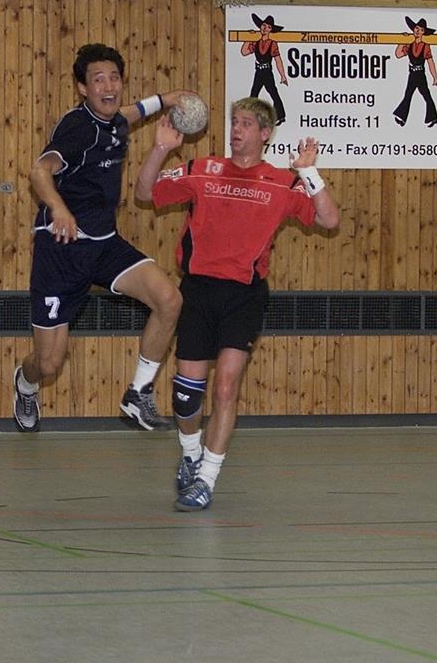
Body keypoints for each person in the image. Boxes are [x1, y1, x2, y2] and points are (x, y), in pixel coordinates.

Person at [135, 96, 340, 511]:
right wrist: (160, 148)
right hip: (197, 291)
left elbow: (329, 220)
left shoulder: (281, 183)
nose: (236, 130)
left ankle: (207, 478)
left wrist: (309, 172)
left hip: (243, 296)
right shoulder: (202, 169)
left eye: (246, 123)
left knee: (226, 386)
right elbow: (144, 193)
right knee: (186, 398)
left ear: (265, 134)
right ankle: (190, 455)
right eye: (233, 122)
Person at [12, 42, 186, 433]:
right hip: (62, 251)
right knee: (49, 364)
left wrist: (165, 99)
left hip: (104, 244)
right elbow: (39, 171)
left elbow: (128, 114)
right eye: (97, 79)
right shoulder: (77, 127)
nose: (108, 86)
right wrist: (58, 208)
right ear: (82, 88)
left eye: (114, 77)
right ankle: (26, 383)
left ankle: (138, 393)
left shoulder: (113, 121)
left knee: (170, 300)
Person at [241, 13, 288, 126]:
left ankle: (280, 115)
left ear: (271, 30)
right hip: (258, 71)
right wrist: (248, 38)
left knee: (273, 93)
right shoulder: (256, 42)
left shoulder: (272, 43)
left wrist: (282, 75)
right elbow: (244, 52)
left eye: (268, 27)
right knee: (254, 94)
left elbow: (278, 60)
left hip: (267, 71)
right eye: (263, 25)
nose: (265, 28)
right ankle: (250, 117)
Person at [392, 15, 437, 127]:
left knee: (426, 95)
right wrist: (401, 41)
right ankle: (401, 118)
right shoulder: (409, 44)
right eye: (417, 29)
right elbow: (398, 55)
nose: (418, 31)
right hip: (412, 74)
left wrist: (435, 78)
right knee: (408, 94)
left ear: (424, 33)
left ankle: (432, 118)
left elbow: (430, 61)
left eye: (421, 30)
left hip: (420, 74)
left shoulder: (425, 46)